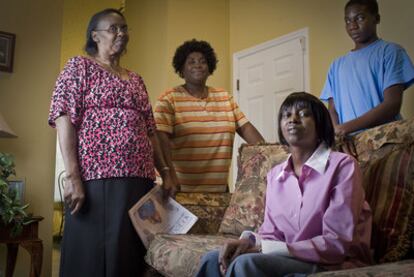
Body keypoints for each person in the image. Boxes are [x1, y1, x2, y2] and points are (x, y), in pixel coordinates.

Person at [48, 8, 176, 277]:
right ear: (95, 35)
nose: (121, 33)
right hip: (97, 177)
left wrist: (165, 171)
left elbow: (151, 130)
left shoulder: (136, 79)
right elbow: (63, 118)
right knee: (92, 256)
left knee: (130, 256)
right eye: (113, 28)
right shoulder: (79, 67)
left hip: (140, 179)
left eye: (124, 28)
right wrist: (73, 175)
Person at [195, 92, 372, 277]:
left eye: (303, 114)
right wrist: (249, 242)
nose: (293, 119)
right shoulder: (275, 175)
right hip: (288, 257)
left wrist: (268, 248)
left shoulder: (342, 166)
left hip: (332, 263)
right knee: (212, 259)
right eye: (286, 115)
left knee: (246, 264)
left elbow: (336, 243)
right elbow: (272, 236)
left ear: (320, 124)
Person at [154, 39, 264, 193]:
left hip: (216, 192)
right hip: (177, 190)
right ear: (182, 68)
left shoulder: (225, 97)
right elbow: (159, 139)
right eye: (191, 62)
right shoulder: (169, 99)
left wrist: (269, 153)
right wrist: (169, 174)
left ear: (209, 66)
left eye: (202, 61)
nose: (197, 65)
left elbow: (246, 128)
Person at [320, 0, 414, 137]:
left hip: (385, 139)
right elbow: (332, 110)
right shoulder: (336, 65)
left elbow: (392, 104)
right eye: (347, 21)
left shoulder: (391, 52)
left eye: (360, 18)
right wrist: (337, 135)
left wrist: (344, 128)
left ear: (376, 19)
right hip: (348, 142)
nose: (352, 26)